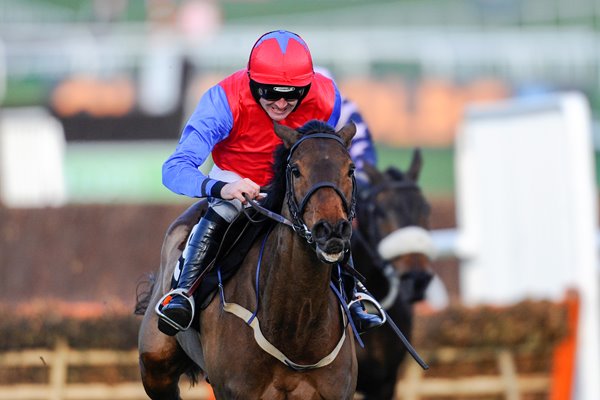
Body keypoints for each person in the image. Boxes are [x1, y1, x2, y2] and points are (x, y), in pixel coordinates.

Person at [157, 30, 384, 336]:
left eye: (291, 94)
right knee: (224, 209)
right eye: (268, 92)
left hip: (292, 180)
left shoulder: (328, 98)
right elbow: (174, 168)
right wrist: (223, 188)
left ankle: (354, 292)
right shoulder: (222, 100)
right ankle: (183, 293)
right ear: (252, 82)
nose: (280, 103)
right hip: (236, 179)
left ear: (307, 87)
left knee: (331, 212)